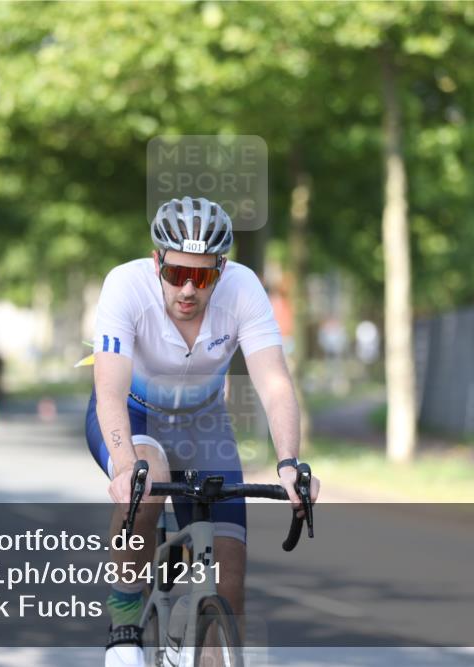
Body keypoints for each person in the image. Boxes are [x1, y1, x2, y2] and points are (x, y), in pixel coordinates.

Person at [86, 196, 321, 666]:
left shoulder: (244, 288)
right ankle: (126, 621)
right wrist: (126, 465)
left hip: (202, 422)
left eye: (203, 276)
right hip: (135, 415)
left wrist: (290, 463)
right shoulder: (125, 286)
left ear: (222, 267)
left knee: (229, 575)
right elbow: (109, 390)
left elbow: (274, 382)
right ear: (157, 262)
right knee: (146, 480)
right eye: (176, 274)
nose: (189, 289)